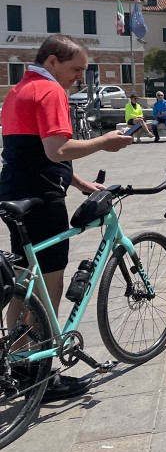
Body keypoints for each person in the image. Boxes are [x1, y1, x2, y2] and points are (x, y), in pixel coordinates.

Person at [1, 35, 134, 400]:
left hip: (15, 190)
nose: (78, 77)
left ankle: (15, 360)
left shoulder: (18, 91)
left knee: (25, 279)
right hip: (42, 198)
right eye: (75, 69)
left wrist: (75, 180)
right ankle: (41, 374)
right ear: (53, 61)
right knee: (50, 281)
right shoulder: (49, 91)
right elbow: (55, 148)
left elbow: (30, 150)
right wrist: (105, 142)